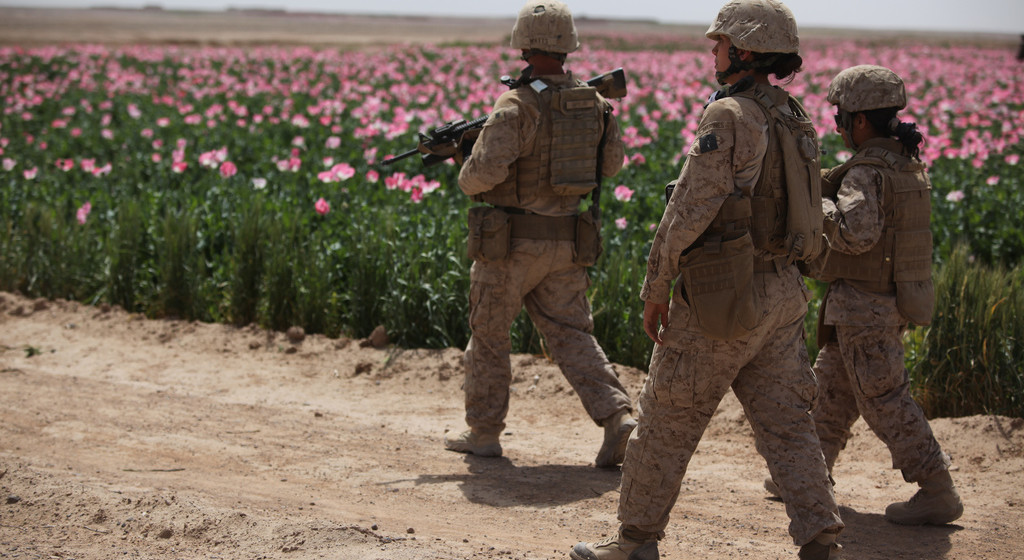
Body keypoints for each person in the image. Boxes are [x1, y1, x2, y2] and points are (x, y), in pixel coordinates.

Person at [570, 1, 843, 559]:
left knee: (668, 419)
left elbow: (688, 213)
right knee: (789, 425)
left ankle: (635, 542)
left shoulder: (730, 116)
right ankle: (821, 540)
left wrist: (656, 287)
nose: (710, 51)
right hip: (783, 295)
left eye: (718, 43)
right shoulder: (794, 116)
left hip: (723, 297)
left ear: (743, 50)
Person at [444, 0, 636, 469]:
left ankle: (484, 433)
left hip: (510, 245)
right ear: (567, 46)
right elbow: (611, 166)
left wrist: (462, 158)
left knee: (489, 336)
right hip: (568, 241)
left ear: (525, 45)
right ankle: (617, 416)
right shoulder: (596, 104)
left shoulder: (516, 104)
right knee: (572, 335)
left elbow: (478, 179)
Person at [788, 64, 964, 526]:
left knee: (884, 400)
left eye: (841, 118)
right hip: (870, 304)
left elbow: (855, 233)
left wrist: (816, 203)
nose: (839, 127)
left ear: (860, 121)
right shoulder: (905, 164)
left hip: (866, 308)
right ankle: (811, 476)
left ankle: (936, 488)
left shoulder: (866, 172)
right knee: (831, 390)